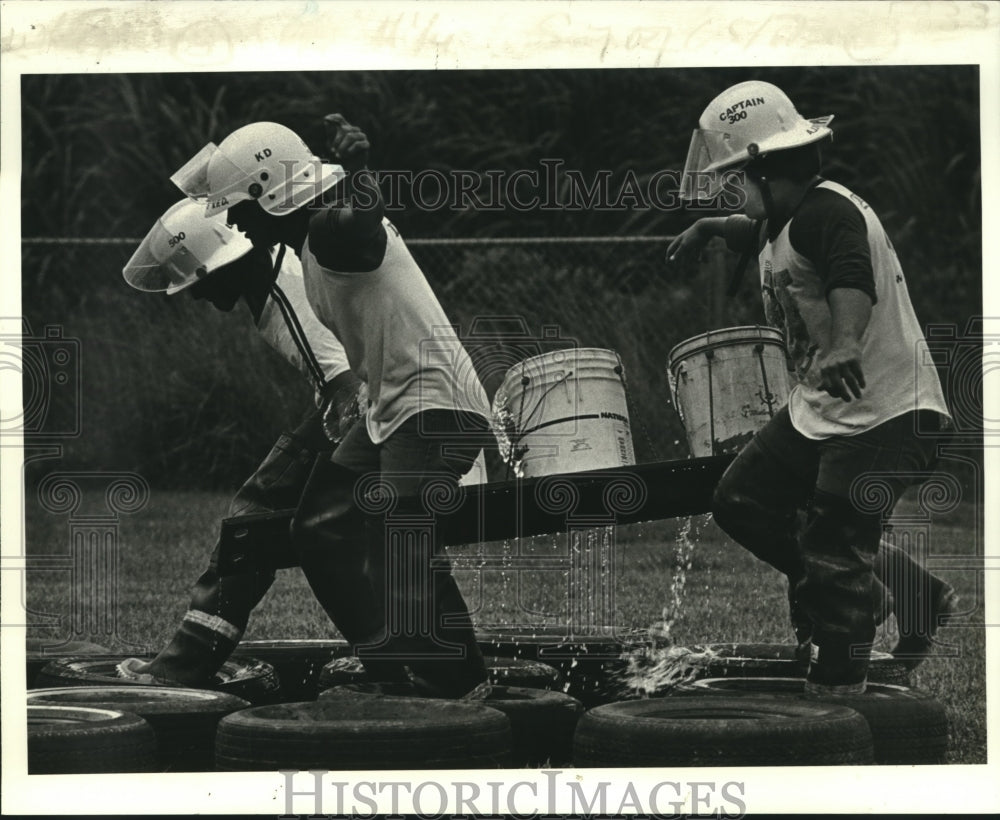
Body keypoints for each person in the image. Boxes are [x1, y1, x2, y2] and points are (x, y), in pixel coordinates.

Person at [172, 115, 492, 698]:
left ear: (269, 192)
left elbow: (363, 221)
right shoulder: (309, 245)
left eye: (238, 208)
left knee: (399, 538)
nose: (234, 223)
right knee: (319, 528)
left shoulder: (327, 232)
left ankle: (459, 684)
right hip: (392, 409)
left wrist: (362, 170)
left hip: (435, 406)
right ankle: (391, 666)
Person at [666, 80, 957, 693]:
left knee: (834, 545)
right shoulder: (787, 216)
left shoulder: (829, 214)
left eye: (736, 181)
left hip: (885, 412)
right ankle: (890, 593)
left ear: (765, 170)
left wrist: (846, 341)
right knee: (743, 500)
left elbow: (851, 276)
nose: (734, 192)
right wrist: (710, 227)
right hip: (823, 409)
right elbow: (756, 232)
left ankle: (838, 690)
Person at [118, 198, 370, 685]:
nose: (195, 295)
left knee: (255, 516)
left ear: (227, 261)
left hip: (373, 413)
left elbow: (349, 393)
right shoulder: (278, 278)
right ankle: (388, 652)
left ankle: (183, 667)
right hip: (382, 408)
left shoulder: (283, 292)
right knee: (293, 526)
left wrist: (339, 483)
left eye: (198, 280)